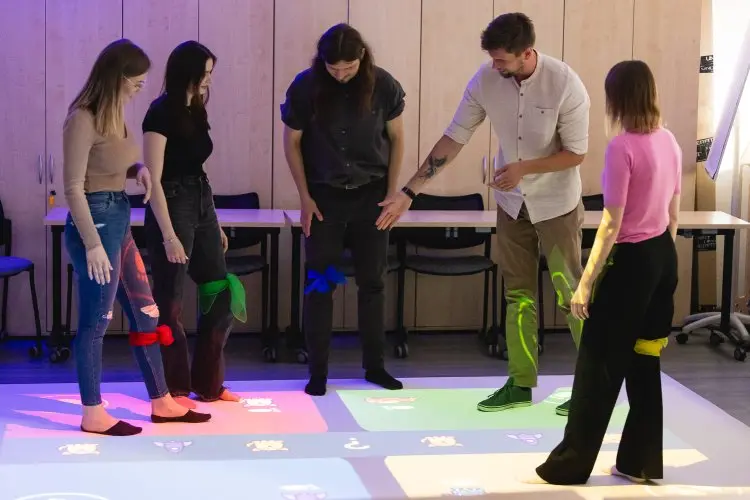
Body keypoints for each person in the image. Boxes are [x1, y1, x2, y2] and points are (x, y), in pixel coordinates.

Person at [378, 13, 590, 415]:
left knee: (570, 294)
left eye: (502, 60)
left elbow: (576, 153)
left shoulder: (565, 83)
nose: (495, 66)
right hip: (512, 205)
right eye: (492, 59)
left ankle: (593, 387)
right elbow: (454, 137)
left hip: (557, 204)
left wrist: (524, 168)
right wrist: (409, 191)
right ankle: (520, 384)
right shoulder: (485, 79)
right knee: (518, 296)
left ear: (527, 53)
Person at [531, 60, 681, 485]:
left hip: (632, 263)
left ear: (616, 99)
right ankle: (641, 462)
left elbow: (611, 225)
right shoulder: (669, 140)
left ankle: (569, 465)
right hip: (663, 257)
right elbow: (673, 213)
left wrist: (584, 284)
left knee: (596, 364)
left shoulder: (622, 147)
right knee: (644, 360)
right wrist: (661, 261)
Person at [63, 39, 211, 436]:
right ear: (116, 77)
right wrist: (92, 244)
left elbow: (112, 164)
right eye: (136, 82)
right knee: (96, 321)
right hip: (95, 221)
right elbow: (74, 187)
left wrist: (138, 170)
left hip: (119, 215)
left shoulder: (117, 116)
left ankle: (162, 400)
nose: (140, 89)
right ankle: (92, 412)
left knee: (147, 312)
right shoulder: (82, 118)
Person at [281, 23, 406, 396]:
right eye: (332, 68)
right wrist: (304, 197)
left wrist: (393, 192)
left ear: (362, 57)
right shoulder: (306, 86)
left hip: (372, 197)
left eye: (348, 68)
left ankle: (375, 367)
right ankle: (318, 372)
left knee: (373, 282)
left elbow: (397, 138)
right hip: (325, 199)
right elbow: (292, 143)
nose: (340, 75)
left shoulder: (383, 85)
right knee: (321, 283)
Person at [143, 40, 245, 408]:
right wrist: (169, 235)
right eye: (204, 73)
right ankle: (174, 389)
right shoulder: (160, 113)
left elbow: (199, 169)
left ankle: (210, 385)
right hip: (171, 203)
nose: (208, 80)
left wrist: (212, 222)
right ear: (186, 73)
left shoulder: (196, 108)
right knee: (170, 302)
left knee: (219, 290)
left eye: (210, 73)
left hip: (201, 199)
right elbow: (152, 179)